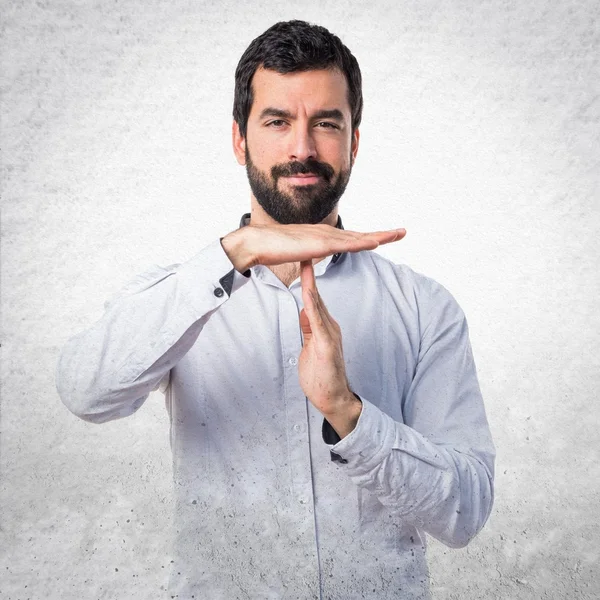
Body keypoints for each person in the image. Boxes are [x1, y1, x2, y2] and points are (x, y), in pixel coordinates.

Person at [56, 19, 495, 600]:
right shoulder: (177, 296)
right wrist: (235, 253)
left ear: (354, 141)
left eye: (326, 123)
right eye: (278, 121)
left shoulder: (423, 308)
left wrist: (349, 413)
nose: (303, 148)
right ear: (240, 139)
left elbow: (465, 513)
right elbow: (85, 392)